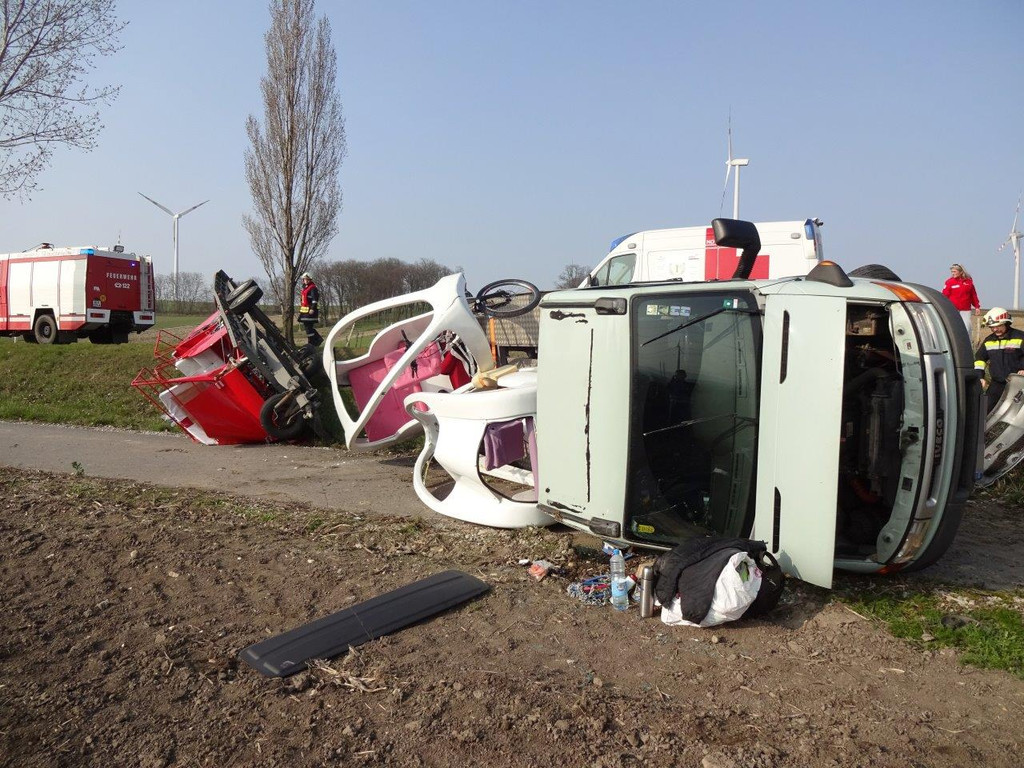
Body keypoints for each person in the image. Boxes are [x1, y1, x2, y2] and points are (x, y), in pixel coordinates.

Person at [974, 307, 1024, 412]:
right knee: (983, 410)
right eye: (992, 327)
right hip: (997, 384)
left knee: (1016, 414)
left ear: (1006, 323)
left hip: (1018, 384)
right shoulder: (988, 340)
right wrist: (980, 377)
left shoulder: (1020, 337)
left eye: (997, 326)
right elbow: (980, 359)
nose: (995, 330)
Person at [942, 263, 981, 332]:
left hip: (965, 310)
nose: (952, 273)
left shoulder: (969, 282)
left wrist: (977, 307)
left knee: (967, 328)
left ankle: (967, 339)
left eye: (954, 271)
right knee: (954, 328)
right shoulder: (949, 282)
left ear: (961, 272)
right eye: (952, 272)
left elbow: (973, 295)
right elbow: (944, 296)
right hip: (953, 309)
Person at [298, 272, 323, 347]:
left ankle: (313, 341)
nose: (305, 280)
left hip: (310, 311)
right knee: (308, 327)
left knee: (308, 327)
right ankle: (315, 340)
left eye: (307, 279)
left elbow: (315, 300)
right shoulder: (305, 288)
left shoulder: (313, 288)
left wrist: (312, 308)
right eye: (304, 279)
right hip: (305, 312)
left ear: (310, 280)